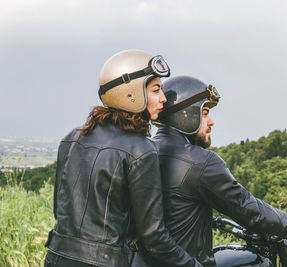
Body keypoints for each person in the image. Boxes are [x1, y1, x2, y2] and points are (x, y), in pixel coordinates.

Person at [44, 51, 201, 267]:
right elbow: (154, 236)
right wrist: (192, 264)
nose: (163, 98)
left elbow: (61, 211)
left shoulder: (72, 137)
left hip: (56, 258)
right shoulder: (141, 149)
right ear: (131, 94)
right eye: (156, 90)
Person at [149, 75, 287, 266]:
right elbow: (253, 213)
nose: (211, 122)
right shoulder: (200, 162)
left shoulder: (145, 151)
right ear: (186, 114)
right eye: (205, 113)